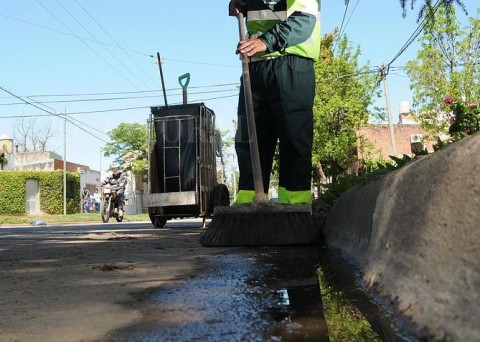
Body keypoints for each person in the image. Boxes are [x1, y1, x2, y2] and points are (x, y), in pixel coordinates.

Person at [229, 0, 321, 205]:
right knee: (249, 137)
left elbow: (304, 20)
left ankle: (295, 203)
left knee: (293, 134)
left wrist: (266, 41)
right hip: (255, 65)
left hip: (291, 61)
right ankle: (247, 201)